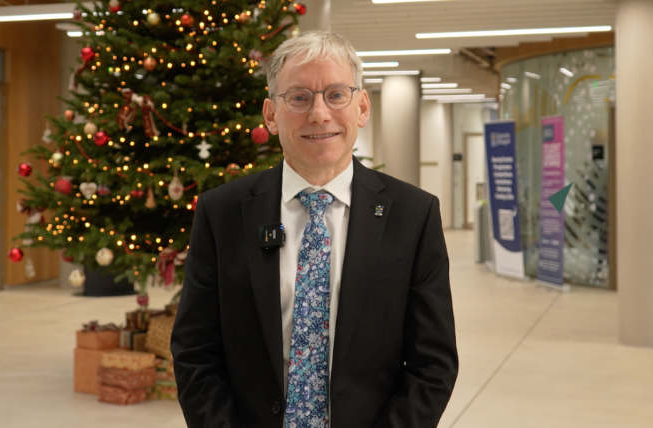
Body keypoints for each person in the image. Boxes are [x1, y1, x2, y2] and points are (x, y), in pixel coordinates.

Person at [171, 31, 458, 428]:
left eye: (336, 95)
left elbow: (433, 364)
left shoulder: (413, 214)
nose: (319, 114)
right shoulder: (221, 214)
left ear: (361, 107)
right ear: (271, 115)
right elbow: (195, 352)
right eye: (299, 98)